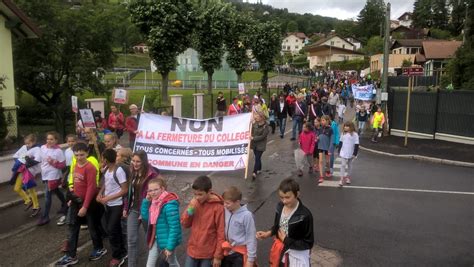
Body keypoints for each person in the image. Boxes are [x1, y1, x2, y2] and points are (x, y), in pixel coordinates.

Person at [55, 142, 106, 266]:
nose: (79, 157)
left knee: (93, 228)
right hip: (76, 201)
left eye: (82, 155)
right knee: (72, 227)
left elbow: (91, 188)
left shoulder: (90, 168)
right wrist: (71, 198)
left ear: (87, 153)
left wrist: (85, 206)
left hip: (89, 203)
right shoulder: (76, 164)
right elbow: (76, 183)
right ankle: (71, 256)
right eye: (76, 155)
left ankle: (99, 248)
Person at [256, 178, 314, 267]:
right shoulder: (280, 207)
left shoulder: (305, 216)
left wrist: (286, 240)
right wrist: (268, 233)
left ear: (297, 194)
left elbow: (308, 243)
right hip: (280, 251)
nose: (284, 201)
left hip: (295, 256)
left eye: (287, 197)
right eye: (281, 197)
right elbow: (277, 225)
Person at [123, 150, 159, 267]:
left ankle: (154, 263)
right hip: (133, 209)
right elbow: (129, 191)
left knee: (151, 239)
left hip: (147, 211)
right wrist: (125, 207)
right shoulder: (132, 170)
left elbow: (156, 194)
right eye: (133, 161)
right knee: (131, 240)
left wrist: (145, 210)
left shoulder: (152, 174)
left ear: (144, 161)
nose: (135, 163)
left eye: (138, 161)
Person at [181, 175, 225, 267]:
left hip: (208, 253)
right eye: (195, 194)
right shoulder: (194, 203)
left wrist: (218, 256)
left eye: (200, 194)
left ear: (209, 192)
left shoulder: (218, 207)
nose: (197, 197)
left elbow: (221, 232)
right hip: (192, 250)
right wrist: (190, 210)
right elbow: (185, 224)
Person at [96, 149, 128, 267]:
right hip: (109, 204)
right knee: (113, 228)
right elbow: (106, 183)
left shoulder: (119, 170)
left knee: (111, 229)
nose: (101, 160)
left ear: (105, 159)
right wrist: (100, 193)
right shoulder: (106, 170)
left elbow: (124, 189)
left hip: (117, 204)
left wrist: (108, 198)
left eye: (102, 158)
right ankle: (122, 250)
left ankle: (117, 256)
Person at [141, 177, 182, 267]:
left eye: (156, 189)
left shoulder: (169, 204)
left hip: (167, 240)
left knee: (172, 263)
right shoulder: (153, 202)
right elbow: (146, 217)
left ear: (162, 189)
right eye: (150, 190)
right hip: (155, 238)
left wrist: (170, 247)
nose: (152, 192)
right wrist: (146, 202)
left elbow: (174, 227)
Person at [221, 186, 257, 267]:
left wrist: (250, 260)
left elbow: (251, 237)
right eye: (224, 202)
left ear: (237, 202)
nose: (225, 205)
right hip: (227, 250)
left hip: (239, 254)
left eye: (227, 203)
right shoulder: (227, 210)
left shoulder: (247, 216)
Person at [38, 131, 67, 226]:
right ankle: (65, 204)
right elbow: (40, 159)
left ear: (56, 140)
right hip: (45, 174)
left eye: (51, 139)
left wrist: (53, 162)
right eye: (48, 139)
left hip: (53, 175)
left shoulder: (58, 151)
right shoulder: (42, 147)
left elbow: (63, 165)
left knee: (47, 196)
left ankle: (45, 216)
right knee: (56, 191)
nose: (49, 141)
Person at [10, 133, 41, 217]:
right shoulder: (24, 147)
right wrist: (20, 162)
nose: (27, 145)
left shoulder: (37, 149)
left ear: (34, 141)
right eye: (26, 143)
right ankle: (28, 200)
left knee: (31, 189)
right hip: (22, 170)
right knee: (17, 188)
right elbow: (15, 156)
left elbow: (37, 160)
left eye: (29, 143)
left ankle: (36, 206)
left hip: (30, 171)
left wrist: (27, 162)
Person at [338, 122, 359, 187]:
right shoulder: (343, 133)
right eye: (345, 126)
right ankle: (341, 179)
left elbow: (356, 144)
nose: (345, 127)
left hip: (351, 152)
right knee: (343, 165)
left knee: (349, 165)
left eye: (347, 126)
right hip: (343, 151)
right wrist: (339, 150)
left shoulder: (355, 134)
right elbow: (341, 142)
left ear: (351, 127)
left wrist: (355, 153)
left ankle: (348, 177)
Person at [250, 112, 269, 180]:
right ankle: (259, 168)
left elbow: (263, 136)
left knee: (257, 158)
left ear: (261, 118)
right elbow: (251, 131)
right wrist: (251, 123)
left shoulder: (266, 126)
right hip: (254, 144)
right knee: (257, 157)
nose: (256, 118)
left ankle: (254, 172)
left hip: (261, 145)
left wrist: (253, 138)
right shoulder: (255, 124)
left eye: (257, 117)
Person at [317, 115, 333, 184]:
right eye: (321, 120)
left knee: (327, 162)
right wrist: (317, 139)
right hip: (320, 146)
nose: (322, 122)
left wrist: (330, 149)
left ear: (327, 121)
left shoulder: (330, 129)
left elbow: (332, 140)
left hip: (327, 148)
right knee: (320, 161)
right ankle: (321, 176)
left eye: (323, 120)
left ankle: (328, 171)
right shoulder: (320, 128)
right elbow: (318, 137)